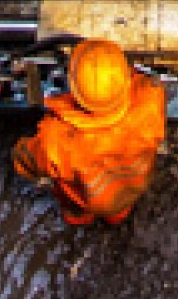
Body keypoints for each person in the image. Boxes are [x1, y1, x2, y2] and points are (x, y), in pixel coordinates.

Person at [12, 39, 167, 226]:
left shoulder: (57, 140)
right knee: (119, 206)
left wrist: (19, 151)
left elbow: (27, 161)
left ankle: (78, 219)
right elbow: (145, 82)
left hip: (81, 197)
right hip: (129, 189)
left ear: (73, 87)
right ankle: (116, 217)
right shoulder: (150, 99)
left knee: (75, 209)